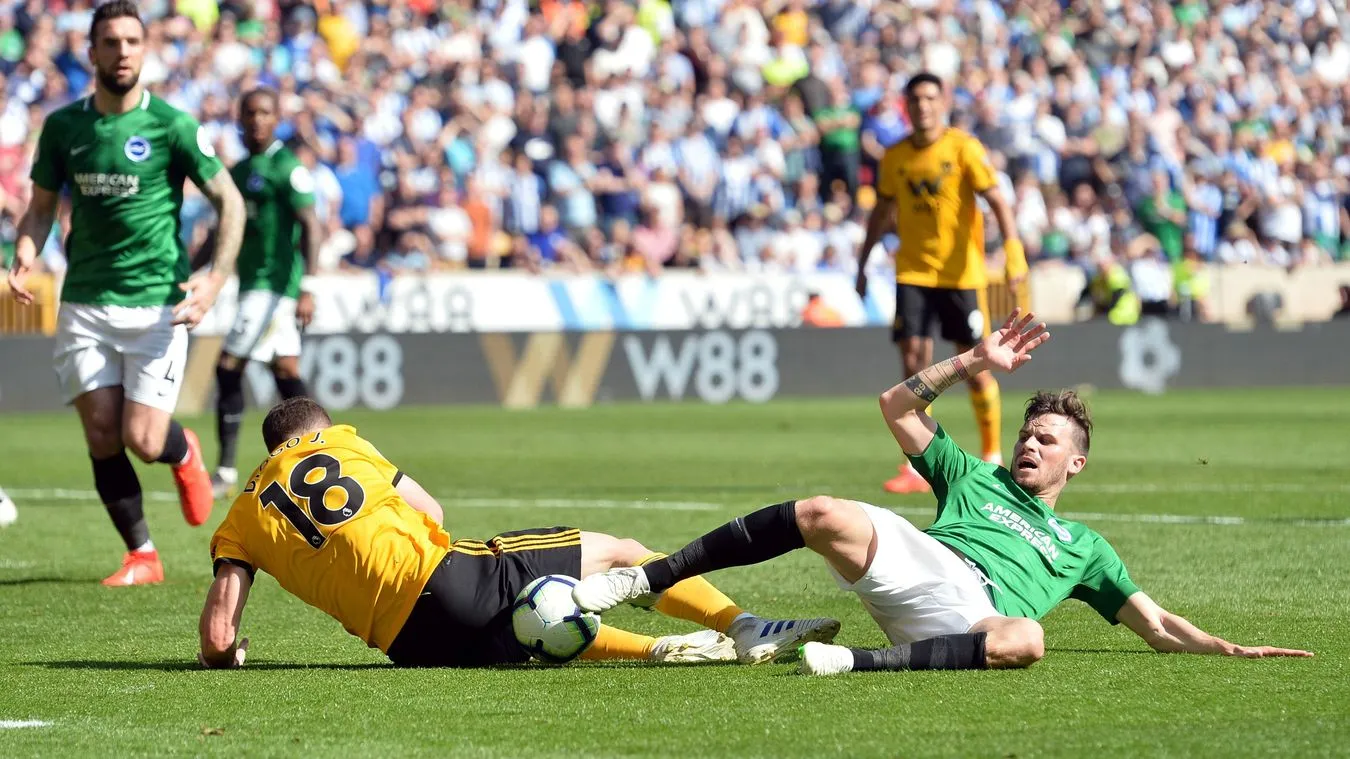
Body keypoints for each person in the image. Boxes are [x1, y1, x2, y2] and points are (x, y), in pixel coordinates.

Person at [574, 309, 1314, 675]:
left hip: (971, 617)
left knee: (1028, 637)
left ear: (1076, 465)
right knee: (821, 510)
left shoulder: (1086, 549)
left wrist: (1233, 648)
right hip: (924, 562)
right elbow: (895, 406)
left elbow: (1156, 625)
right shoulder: (974, 476)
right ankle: (646, 576)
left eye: (1047, 440)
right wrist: (974, 361)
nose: (1029, 443)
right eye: (1027, 434)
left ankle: (851, 662)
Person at [197, 397, 839, 669]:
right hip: (445, 576)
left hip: (409, 646)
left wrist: (229, 656)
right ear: (317, 427)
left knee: (531, 627)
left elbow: (217, 635)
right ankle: (743, 625)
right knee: (616, 551)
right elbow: (434, 509)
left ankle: (655, 651)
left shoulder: (238, 520)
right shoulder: (339, 441)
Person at [5, 1, 245, 586]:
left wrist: (213, 280)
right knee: (99, 432)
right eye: (110, 42)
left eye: (132, 41)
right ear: (91, 52)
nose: (122, 52)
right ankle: (142, 554)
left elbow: (231, 202)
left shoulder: (173, 126)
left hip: (156, 303)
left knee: (141, 438)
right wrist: (25, 253)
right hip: (85, 302)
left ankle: (182, 449)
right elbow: (39, 211)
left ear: (146, 50)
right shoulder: (65, 128)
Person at [854, 72, 1028, 494]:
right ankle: (917, 463)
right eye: (915, 100)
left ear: (943, 101)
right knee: (913, 361)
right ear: (906, 106)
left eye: (930, 98)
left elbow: (997, 199)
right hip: (912, 272)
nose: (923, 107)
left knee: (975, 363)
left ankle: (991, 455)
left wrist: (1013, 249)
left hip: (960, 275)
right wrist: (863, 261)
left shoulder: (963, 147)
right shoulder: (894, 157)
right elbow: (881, 211)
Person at [189, 88, 323, 499]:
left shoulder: (287, 167)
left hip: (272, 289)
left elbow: (312, 225)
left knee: (228, 368)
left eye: (265, 112)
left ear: (277, 116)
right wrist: (191, 271)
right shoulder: (241, 168)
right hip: (254, 286)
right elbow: (222, 231)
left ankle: (226, 472)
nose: (256, 120)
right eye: (249, 113)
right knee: (285, 372)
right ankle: (328, 454)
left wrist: (308, 286)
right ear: (239, 117)